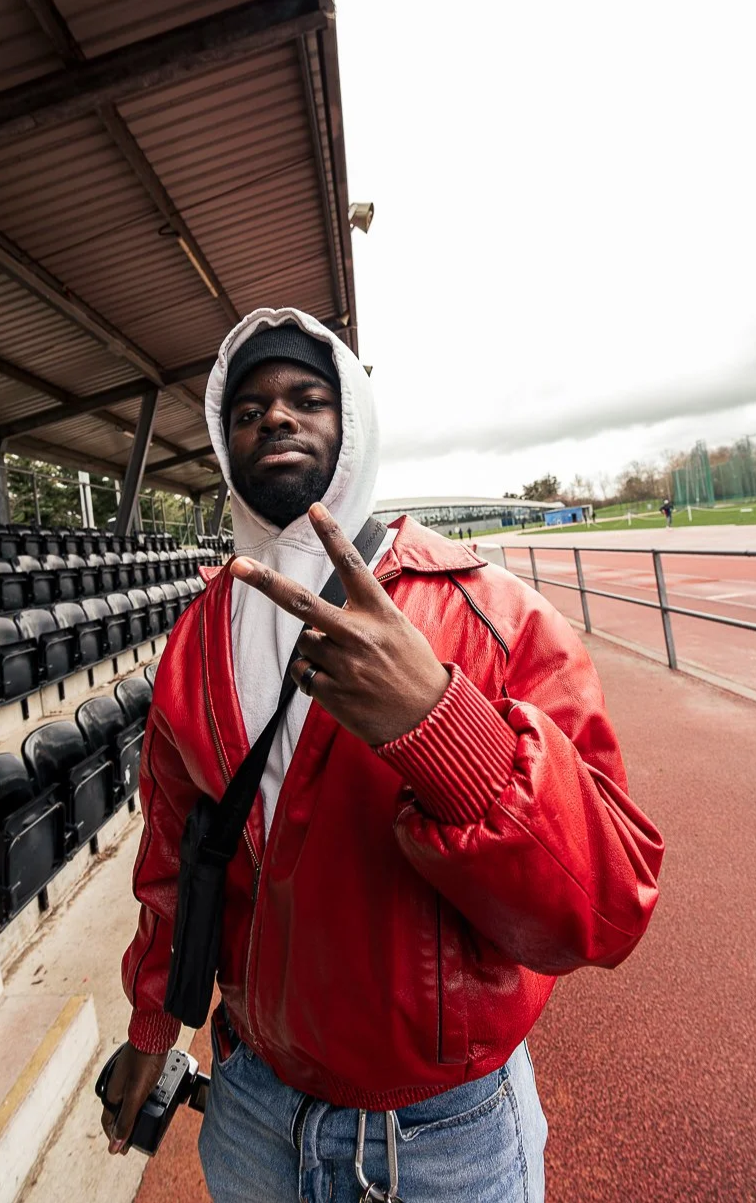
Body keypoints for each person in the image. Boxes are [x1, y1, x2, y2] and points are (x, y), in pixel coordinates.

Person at [103, 308, 664, 1203]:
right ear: (223, 442)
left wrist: (443, 725)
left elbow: (607, 906)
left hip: (444, 1135)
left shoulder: (490, 612)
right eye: (247, 410)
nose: (275, 418)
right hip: (252, 1111)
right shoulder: (196, 642)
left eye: (306, 398)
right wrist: (148, 1029)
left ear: (351, 423)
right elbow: (174, 861)